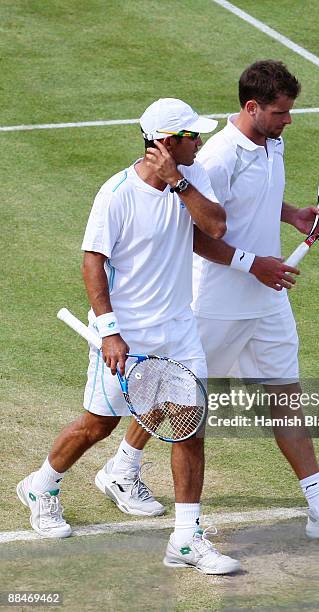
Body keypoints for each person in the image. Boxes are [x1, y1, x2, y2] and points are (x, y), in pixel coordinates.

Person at [17, 98, 241, 575]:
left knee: (189, 430)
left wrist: (180, 184)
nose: (199, 142)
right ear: (166, 142)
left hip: (179, 332)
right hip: (126, 334)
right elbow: (92, 262)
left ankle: (185, 539)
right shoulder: (116, 193)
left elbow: (214, 227)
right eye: (190, 136)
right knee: (98, 425)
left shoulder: (188, 182)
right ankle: (43, 483)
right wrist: (110, 330)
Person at [190, 60, 319, 539]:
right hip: (217, 300)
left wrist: (292, 214)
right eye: (280, 112)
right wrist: (252, 264)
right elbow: (193, 233)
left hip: (267, 299)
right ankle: (122, 467)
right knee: (183, 399)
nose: (289, 121)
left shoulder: (271, 141)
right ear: (252, 107)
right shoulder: (217, 157)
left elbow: (252, 200)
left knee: (285, 394)